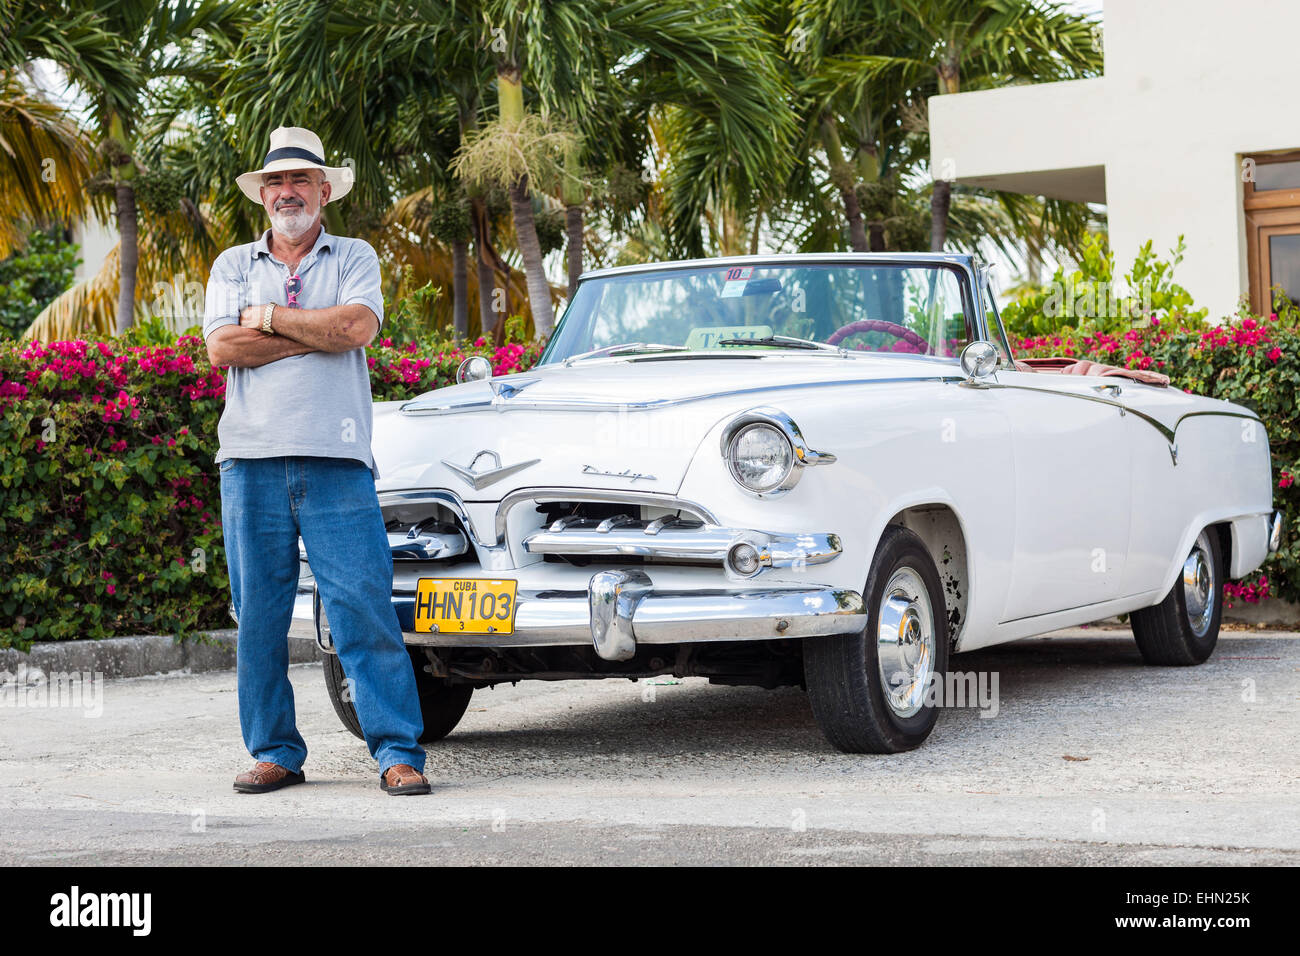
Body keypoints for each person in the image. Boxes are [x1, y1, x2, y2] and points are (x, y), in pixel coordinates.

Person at [203, 127, 430, 796]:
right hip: (250, 462)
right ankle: (275, 751)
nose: (287, 191)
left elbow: (355, 330)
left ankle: (398, 753)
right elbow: (222, 350)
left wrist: (269, 317)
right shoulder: (232, 264)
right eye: (275, 182)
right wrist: (315, 334)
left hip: (337, 459)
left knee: (362, 608)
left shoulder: (354, 254)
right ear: (262, 194)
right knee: (260, 620)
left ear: (324, 190)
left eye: (300, 180)